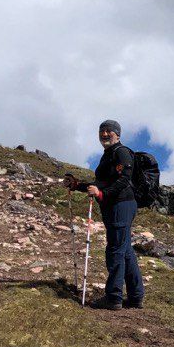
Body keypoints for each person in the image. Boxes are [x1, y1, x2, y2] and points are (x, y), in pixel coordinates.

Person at [64, 119, 144, 310]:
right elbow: (102, 182)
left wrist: (102, 194)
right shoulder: (108, 155)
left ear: (117, 134)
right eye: (102, 131)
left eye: (109, 131)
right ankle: (135, 297)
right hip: (116, 206)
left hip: (121, 205)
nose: (105, 134)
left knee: (115, 250)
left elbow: (123, 180)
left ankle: (114, 298)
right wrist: (78, 186)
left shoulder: (121, 152)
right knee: (125, 251)